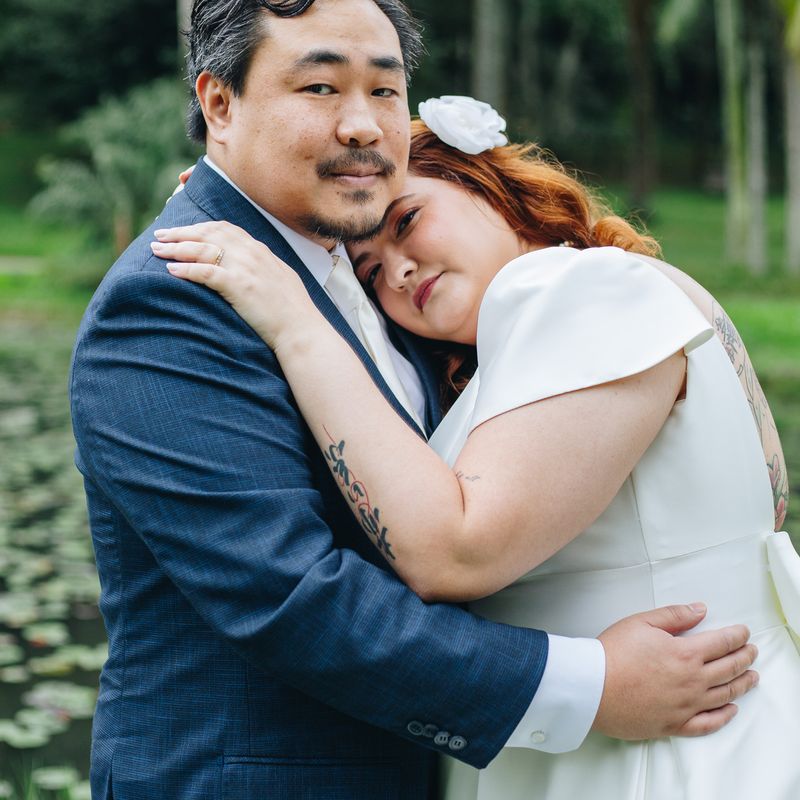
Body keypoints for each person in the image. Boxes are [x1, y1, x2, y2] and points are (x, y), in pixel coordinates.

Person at [69, 2, 758, 798]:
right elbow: (295, 596)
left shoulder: (386, 287)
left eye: (386, 91)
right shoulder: (174, 299)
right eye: (320, 87)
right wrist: (591, 685)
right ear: (220, 104)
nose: (362, 125)